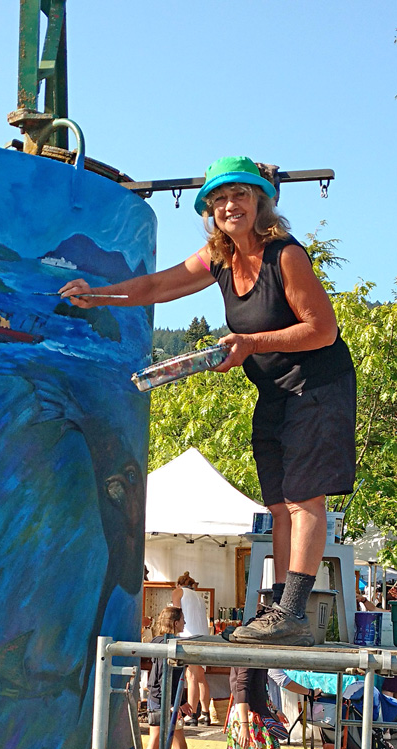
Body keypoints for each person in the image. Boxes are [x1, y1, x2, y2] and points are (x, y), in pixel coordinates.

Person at [61, 155, 356, 648]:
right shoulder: (218, 259)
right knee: (279, 504)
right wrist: (99, 296)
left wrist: (249, 344)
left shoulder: (285, 254)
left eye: (239, 194)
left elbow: (322, 330)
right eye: (218, 199)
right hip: (275, 390)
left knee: (305, 500)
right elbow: (158, 285)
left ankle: (293, 613)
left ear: (261, 201)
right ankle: (281, 614)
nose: (228, 205)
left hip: (318, 388)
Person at [144, 606, 220, 749]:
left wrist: (180, 702)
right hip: (163, 700)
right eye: (183, 619)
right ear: (175, 622)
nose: (185, 623)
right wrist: (173, 704)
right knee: (160, 745)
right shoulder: (170, 645)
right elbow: (162, 679)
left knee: (175, 746)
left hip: (163, 700)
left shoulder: (159, 642)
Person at [171, 572, 211, 725]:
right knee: (200, 677)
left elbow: (175, 613)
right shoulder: (199, 596)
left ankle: (192, 714)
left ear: (178, 584)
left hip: (188, 637)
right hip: (203, 637)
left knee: (191, 677)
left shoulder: (178, 592)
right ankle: (205, 713)